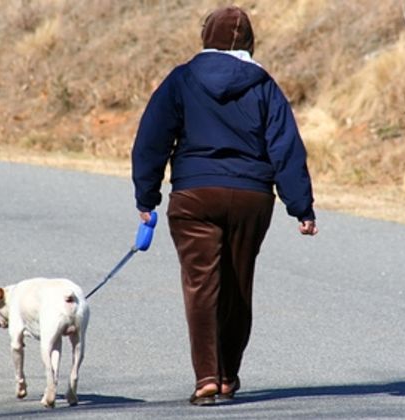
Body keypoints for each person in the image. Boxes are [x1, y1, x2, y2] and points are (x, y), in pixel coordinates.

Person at [131, 5, 318, 406]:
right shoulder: (264, 84)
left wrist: (147, 198)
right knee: (237, 285)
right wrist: (301, 207)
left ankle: (206, 380)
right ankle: (228, 374)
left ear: (204, 39)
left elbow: (151, 139)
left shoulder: (182, 79)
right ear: (250, 43)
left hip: (195, 194)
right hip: (252, 196)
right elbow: (285, 147)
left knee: (202, 285)